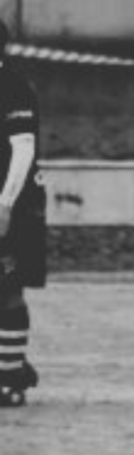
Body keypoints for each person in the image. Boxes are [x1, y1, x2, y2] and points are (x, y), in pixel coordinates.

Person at [0, 21, 46, 407]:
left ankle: (9, 379)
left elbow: (23, 149)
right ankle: (13, 363)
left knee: (7, 289)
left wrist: (4, 203)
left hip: (13, 206)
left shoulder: (13, 85)